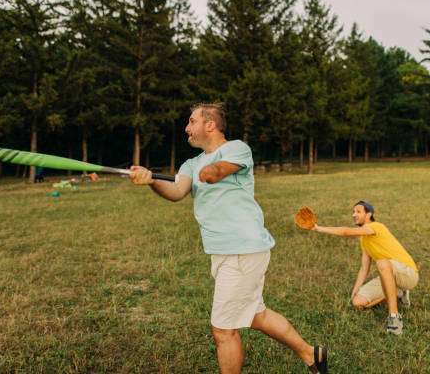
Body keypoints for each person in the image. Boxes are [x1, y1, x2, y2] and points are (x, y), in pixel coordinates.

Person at [130, 103, 327, 374]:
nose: (186, 128)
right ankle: (311, 354)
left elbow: (217, 171)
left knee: (223, 329)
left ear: (209, 124)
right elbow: (176, 190)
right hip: (224, 251)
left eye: (191, 121)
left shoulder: (236, 148)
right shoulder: (191, 163)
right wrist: (151, 179)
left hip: (242, 249)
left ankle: (308, 354)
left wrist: (207, 172)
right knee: (257, 316)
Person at [308, 201, 418, 335]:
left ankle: (394, 318)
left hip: (408, 274)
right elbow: (364, 269)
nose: (354, 214)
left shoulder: (377, 226)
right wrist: (354, 292)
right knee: (358, 302)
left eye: (358, 211)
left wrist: (318, 228)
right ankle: (399, 293)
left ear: (369, 214)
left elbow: (345, 232)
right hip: (388, 274)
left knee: (382, 263)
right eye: (353, 212)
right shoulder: (364, 240)